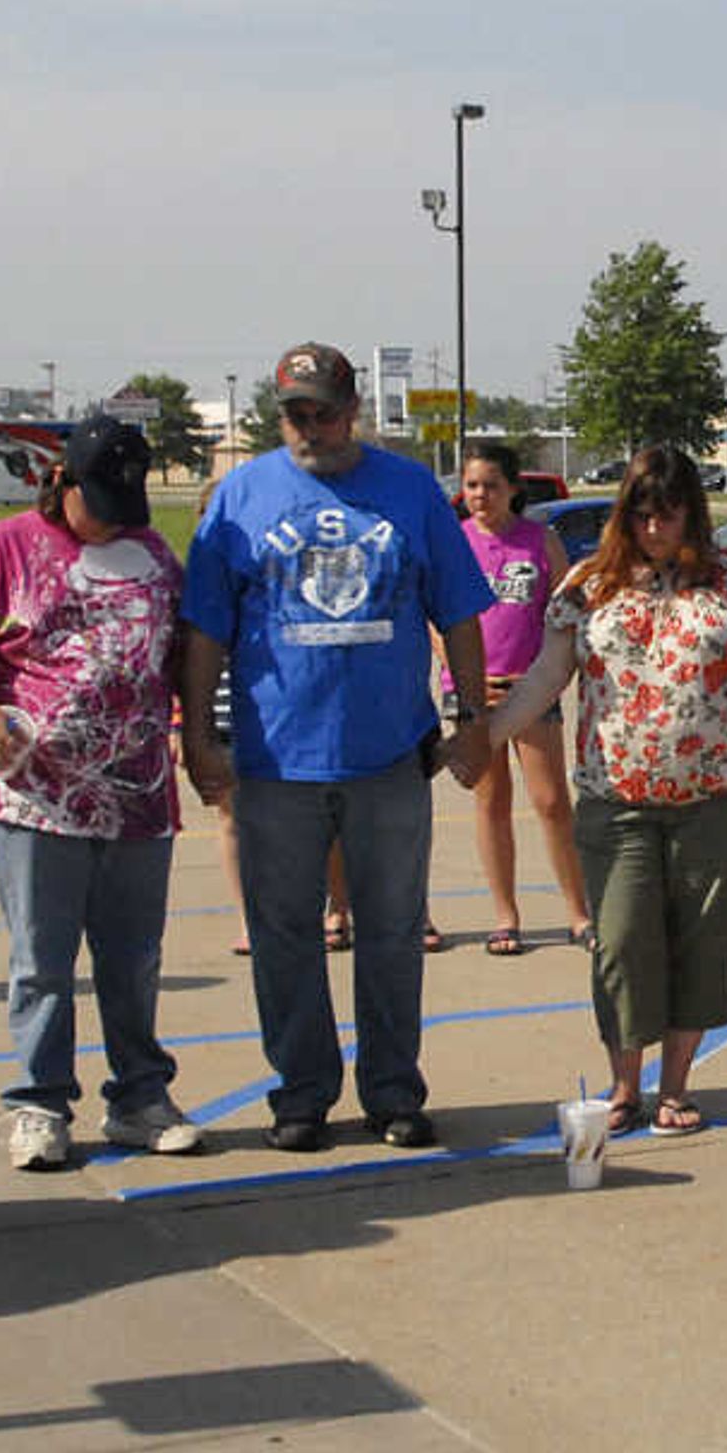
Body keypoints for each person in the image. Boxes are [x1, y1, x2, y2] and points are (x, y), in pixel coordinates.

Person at [178, 342, 494, 1152]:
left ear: (355, 410)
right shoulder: (241, 495)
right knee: (284, 937)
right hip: (275, 760)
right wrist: (201, 737)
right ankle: (302, 1094)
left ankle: (394, 1091)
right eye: (294, 413)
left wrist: (470, 717)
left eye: (323, 411)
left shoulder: (411, 490)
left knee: (392, 933)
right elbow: (206, 627)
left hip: (389, 756)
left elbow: (458, 610)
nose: (309, 426)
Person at [0, 415, 202, 1171]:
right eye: (101, 498)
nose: (114, 515)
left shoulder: (152, 555)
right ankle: (40, 1102)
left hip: (139, 793)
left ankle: (140, 1097)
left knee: (132, 958)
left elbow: (182, 654)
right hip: (36, 797)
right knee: (42, 962)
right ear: (63, 481)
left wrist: (196, 735)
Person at [485, 448, 727, 1131]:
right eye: (642, 516)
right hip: (616, 797)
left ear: (692, 514)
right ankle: (625, 1085)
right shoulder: (587, 585)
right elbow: (546, 677)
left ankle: (674, 1088)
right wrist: (486, 736)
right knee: (618, 940)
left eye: (668, 516)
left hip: (718, 792)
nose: (654, 529)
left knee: (700, 942)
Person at [456, 439, 592, 957]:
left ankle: (579, 913)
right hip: (475, 692)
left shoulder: (541, 540)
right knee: (491, 801)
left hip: (531, 689)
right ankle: (505, 916)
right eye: (471, 485)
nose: (480, 495)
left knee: (552, 800)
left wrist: (556, 672)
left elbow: (564, 610)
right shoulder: (456, 542)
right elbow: (434, 620)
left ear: (513, 489)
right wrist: (462, 676)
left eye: (491, 485)